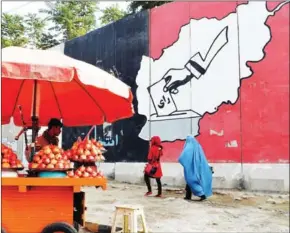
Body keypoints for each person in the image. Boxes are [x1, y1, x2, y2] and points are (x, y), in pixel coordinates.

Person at [178, 135, 213, 201]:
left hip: (191, 169)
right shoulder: (198, 146)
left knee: (192, 182)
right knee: (189, 182)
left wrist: (183, 162)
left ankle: (202, 195)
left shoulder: (189, 147)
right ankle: (188, 196)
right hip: (199, 167)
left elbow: (182, 157)